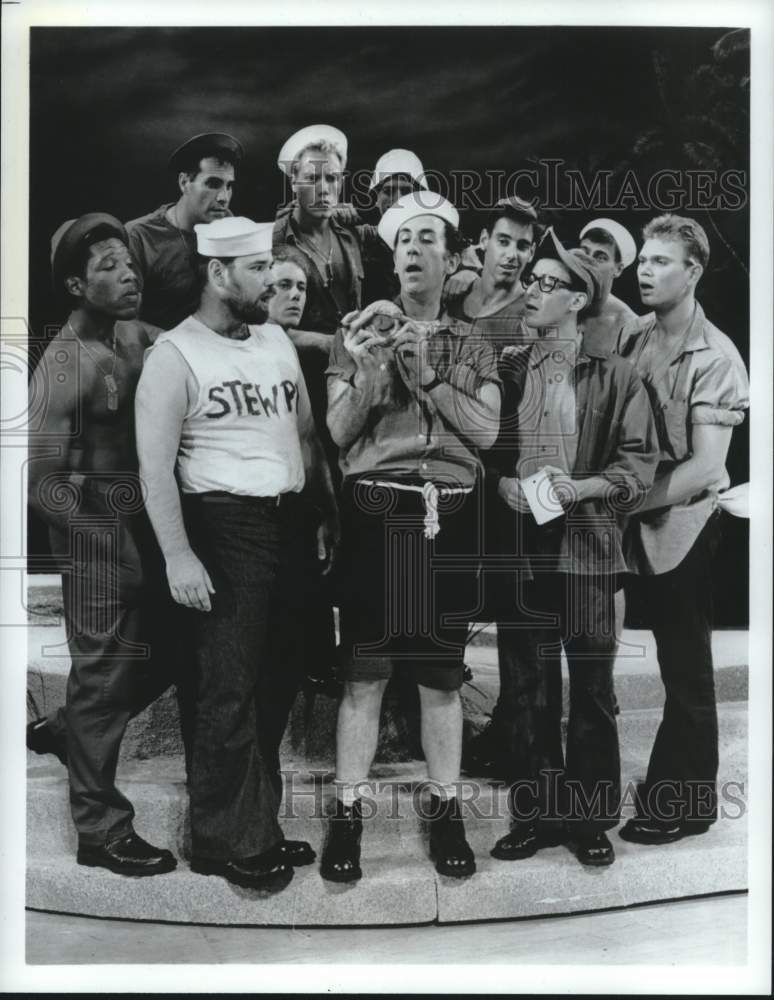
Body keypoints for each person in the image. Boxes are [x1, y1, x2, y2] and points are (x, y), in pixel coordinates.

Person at [135, 216, 339, 894]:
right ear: (218, 274)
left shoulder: (275, 339)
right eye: (256, 271)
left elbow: (307, 437)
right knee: (226, 688)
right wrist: (178, 556)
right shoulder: (175, 354)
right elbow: (155, 470)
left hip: (286, 523)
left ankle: (260, 824)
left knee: (278, 681)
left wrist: (324, 514)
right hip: (223, 527)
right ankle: (225, 840)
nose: (269, 283)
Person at [320, 192, 501, 883]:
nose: (415, 251)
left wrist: (427, 375)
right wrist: (370, 371)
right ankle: (346, 813)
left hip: (448, 515)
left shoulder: (473, 341)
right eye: (404, 241)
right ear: (392, 259)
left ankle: (446, 808)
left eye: (430, 240)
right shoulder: (357, 331)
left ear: (453, 259)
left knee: (440, 678)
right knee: (364, 674)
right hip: (378, 511)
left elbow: (486, 434)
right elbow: (337, 434)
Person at [486, 229, 659, 867]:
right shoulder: (507, 370)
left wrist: (580, 485)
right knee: (527, 687)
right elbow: (480, 455)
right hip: (524, 552)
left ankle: (590, 821)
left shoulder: (618, 377)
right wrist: (502, 483)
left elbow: (638, 470)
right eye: (530, 279)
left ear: (577, 302)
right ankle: (534, 817)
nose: (531, 290)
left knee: (590, 689)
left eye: (546, 283)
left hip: (588, 552)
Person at [27, 213, 184, 877]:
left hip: (143, 529)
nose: (127, 274)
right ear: (73, 284)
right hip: (94, 539)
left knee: (179, 648)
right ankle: (101, 833)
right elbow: (40, 483)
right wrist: (100, 546)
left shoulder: (133, 335)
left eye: (129, 261)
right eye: (107, 267)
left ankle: (68, 732)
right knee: (100, 677)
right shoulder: (64, 364)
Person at [616, 214, 749, 845]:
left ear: (693, 271)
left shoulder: (716, 355)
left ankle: (688, 801)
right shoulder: (637, 336)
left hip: (686, 520)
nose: (645, 270)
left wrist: (621, 501)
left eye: (661, 261)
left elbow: (706, 467)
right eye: (643, 259)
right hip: (639, 514)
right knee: (671, 659)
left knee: (685, 666)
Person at [126, 132, 244, 330]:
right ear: (184, 183)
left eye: (229, 186)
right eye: (213, 184)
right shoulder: (140, 236)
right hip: (160, 351)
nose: (224, 197)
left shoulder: (230, 226)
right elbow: (126, 322)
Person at [273, 124, 364, 334]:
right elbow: (261, 328)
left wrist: (458, 269)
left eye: (331, 178)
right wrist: (331, 346)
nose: (324, 189)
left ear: (341, 182)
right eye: (312, 178)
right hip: (297, 365)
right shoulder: (272, 242)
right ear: (294, 182)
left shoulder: (353, 233)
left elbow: (403, 234)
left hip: (354, 363)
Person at [445, 195, 540, 346]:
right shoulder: (455, 289)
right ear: (484, 240)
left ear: (532, 253)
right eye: (503, 242)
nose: (512, 255)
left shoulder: (531, 315)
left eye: (522, 246)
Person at [578, 218, 639, 354]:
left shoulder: (631, 329)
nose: (588, 262)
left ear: (618, 269)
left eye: (600, 257)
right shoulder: (557, 299)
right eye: (584, 252)